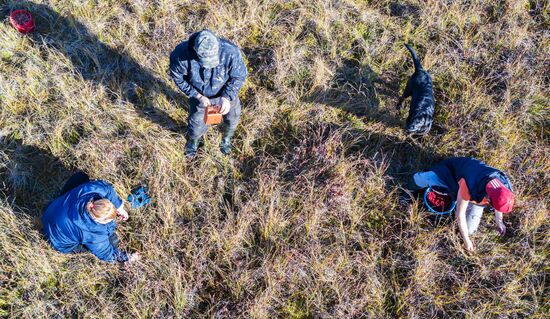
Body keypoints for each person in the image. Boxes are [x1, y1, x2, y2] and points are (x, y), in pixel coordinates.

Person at [169, 29, 248, 157]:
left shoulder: (230, 52)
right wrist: (197, 96)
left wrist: (227, 97)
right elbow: (178, 78)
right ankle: (194, 141)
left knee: (233, 118)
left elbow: (239, 76)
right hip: (199, 97)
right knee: (195, 125)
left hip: (226, 94)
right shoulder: (180, 55)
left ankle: (226, 139)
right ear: (195, 50)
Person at [411, 157, 515, 252]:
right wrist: (467, 241)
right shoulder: (469, 184)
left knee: (469, 230)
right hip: (451, 173)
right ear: (488, 198)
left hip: (475, 194)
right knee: (422, 179)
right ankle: (410, 185)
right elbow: (459, 214)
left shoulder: (505, 186)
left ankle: (458, 198)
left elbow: (500, 199)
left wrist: (499, 221)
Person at [42, 172, 139, 263]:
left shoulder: (93, 190)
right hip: (57, 241)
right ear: (99, 220)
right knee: (112, 239)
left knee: (80, 177)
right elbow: (107, 254)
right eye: (109, 220)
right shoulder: (93, 234)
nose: (113, 220)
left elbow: (107, 188)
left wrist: (119, 207)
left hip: (51, 212)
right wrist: (128, 258)